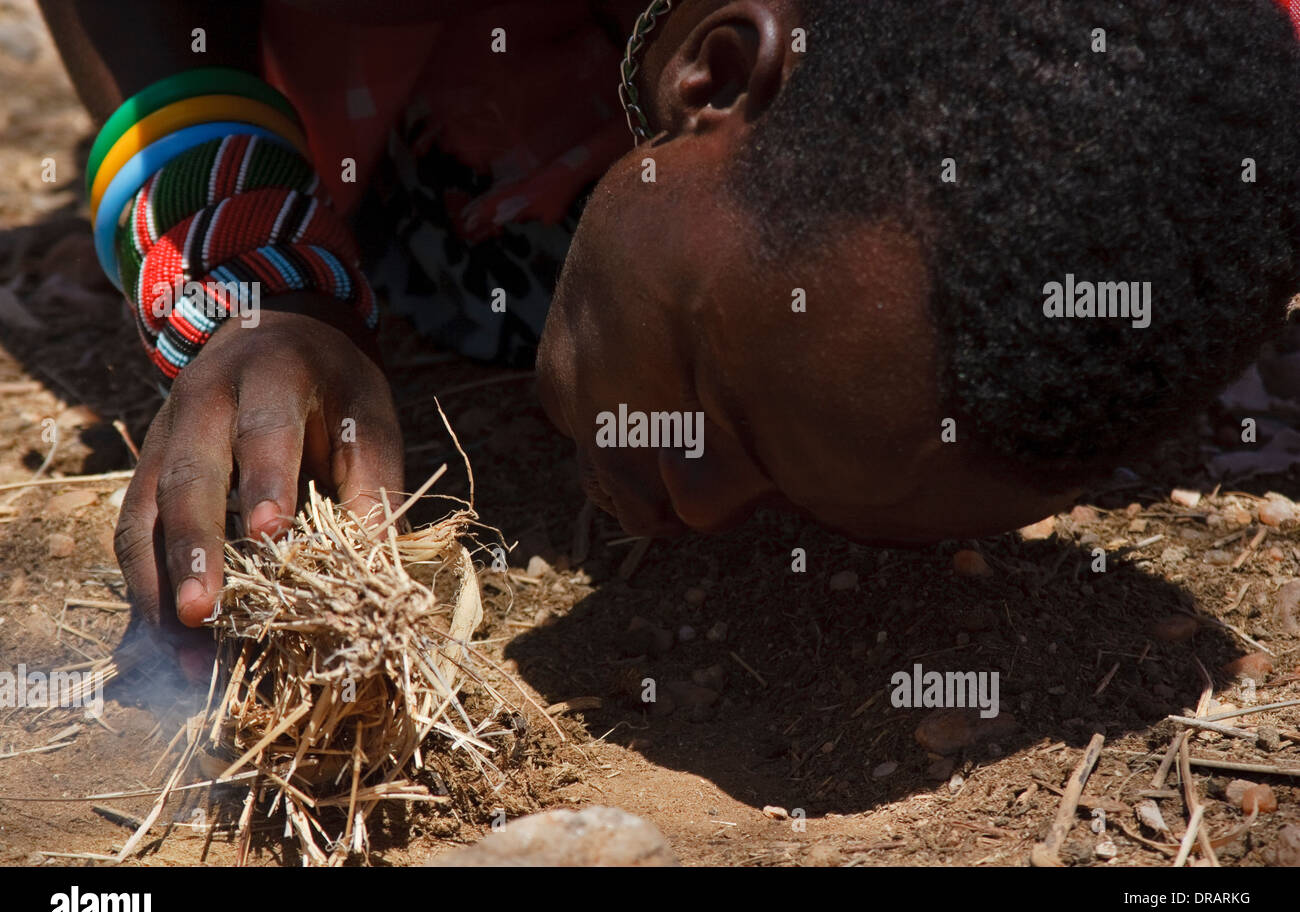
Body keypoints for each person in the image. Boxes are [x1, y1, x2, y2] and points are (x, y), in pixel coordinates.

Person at [36, 0, 1300, 663]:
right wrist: (256, 283)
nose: (680, 513)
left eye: (783, 501)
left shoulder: (1202, 105)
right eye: (720, 405)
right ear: (713, 77)